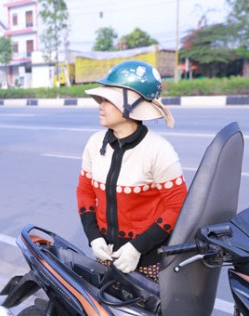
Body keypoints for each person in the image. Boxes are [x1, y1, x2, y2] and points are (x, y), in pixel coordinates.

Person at [76, 60, 188, 282]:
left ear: (132, 104)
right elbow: (85, 192)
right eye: (101, 98)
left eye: (109, 99)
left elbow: (177, 206)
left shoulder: (159, 150)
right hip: (106, 256)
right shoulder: (94, 143)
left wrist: (137, 248)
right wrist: (94, 237)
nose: (101, 105)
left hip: (148, 261)